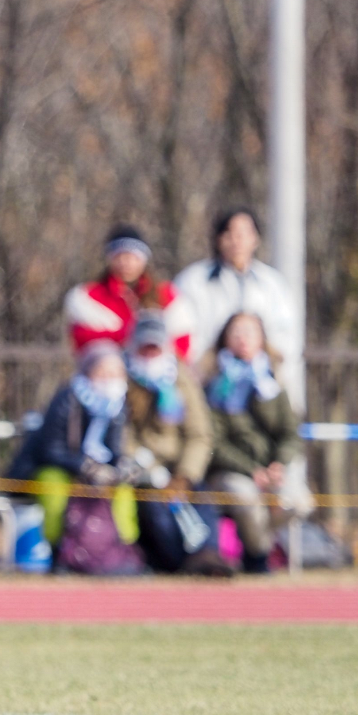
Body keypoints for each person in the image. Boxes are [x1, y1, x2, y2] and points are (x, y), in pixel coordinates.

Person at [203, 313, 314, 574]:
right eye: (236, 332)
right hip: (231, 470)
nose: (243, 339)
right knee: (246, 500)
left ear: (262, 339)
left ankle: (257, 549)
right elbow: (214, 442)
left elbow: (290, 432)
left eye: (250, 332)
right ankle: (259, 558)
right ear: (225, 339)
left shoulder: (272, 382)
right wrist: (251, 470)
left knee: (299, 502)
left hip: (271, 470)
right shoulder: (215, 383)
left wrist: (279, 464)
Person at [9, 341, 141, 553]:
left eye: (117, 373)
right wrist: (85, 467)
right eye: (104, 372)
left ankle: (122, 548)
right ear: (89, 371)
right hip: (56, 467)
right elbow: (50, 450)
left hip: (97, 470)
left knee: (123, 490)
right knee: (54, 489)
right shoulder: (67, 399)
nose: (111, 379)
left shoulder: (117, 405)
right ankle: (59, 549)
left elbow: (114, 448)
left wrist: (123, 465)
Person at [123, 312, 228, 575]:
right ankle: (179, 562)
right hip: (144, 472)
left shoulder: (181, 380)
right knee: (157, 510)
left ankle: (207, 555)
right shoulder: (124, 380)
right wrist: (149, 470)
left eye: (155, 346)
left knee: (201, 500)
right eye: (144, 347)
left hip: (180, 469)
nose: (150, 353)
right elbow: (122, 436)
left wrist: (185, 475)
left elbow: (200, 435)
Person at [174, 206, 301, 404]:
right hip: (208, 381)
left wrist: (263, 360)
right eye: (230, 233)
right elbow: (181, 329)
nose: (237, 241)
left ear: (255, 238)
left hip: (262, 381)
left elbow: (287, 333)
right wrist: (208, 364)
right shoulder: (194, 281)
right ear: (219, 238)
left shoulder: (272, 283)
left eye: (244, 233)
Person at [64, 223, 193, 358]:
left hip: (157, 370)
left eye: (133, 257)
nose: (126, 263)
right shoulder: (89, 297)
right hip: (108, 371)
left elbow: (182, 341)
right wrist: (130, 336)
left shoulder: (166, 295)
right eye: (119, 256)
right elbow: (83, 339)